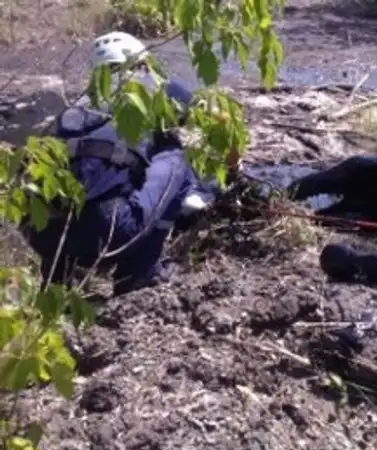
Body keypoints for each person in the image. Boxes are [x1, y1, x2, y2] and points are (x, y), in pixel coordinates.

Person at [21, 31, 230, 296]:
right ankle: (139, 273)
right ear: (142, 64)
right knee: (175, 154)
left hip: (41, 235)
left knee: (78, 176)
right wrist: (230, 168)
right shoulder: (154, 86)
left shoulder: (77, 107)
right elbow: (217, 121)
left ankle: (56, 284)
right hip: (108, 233)